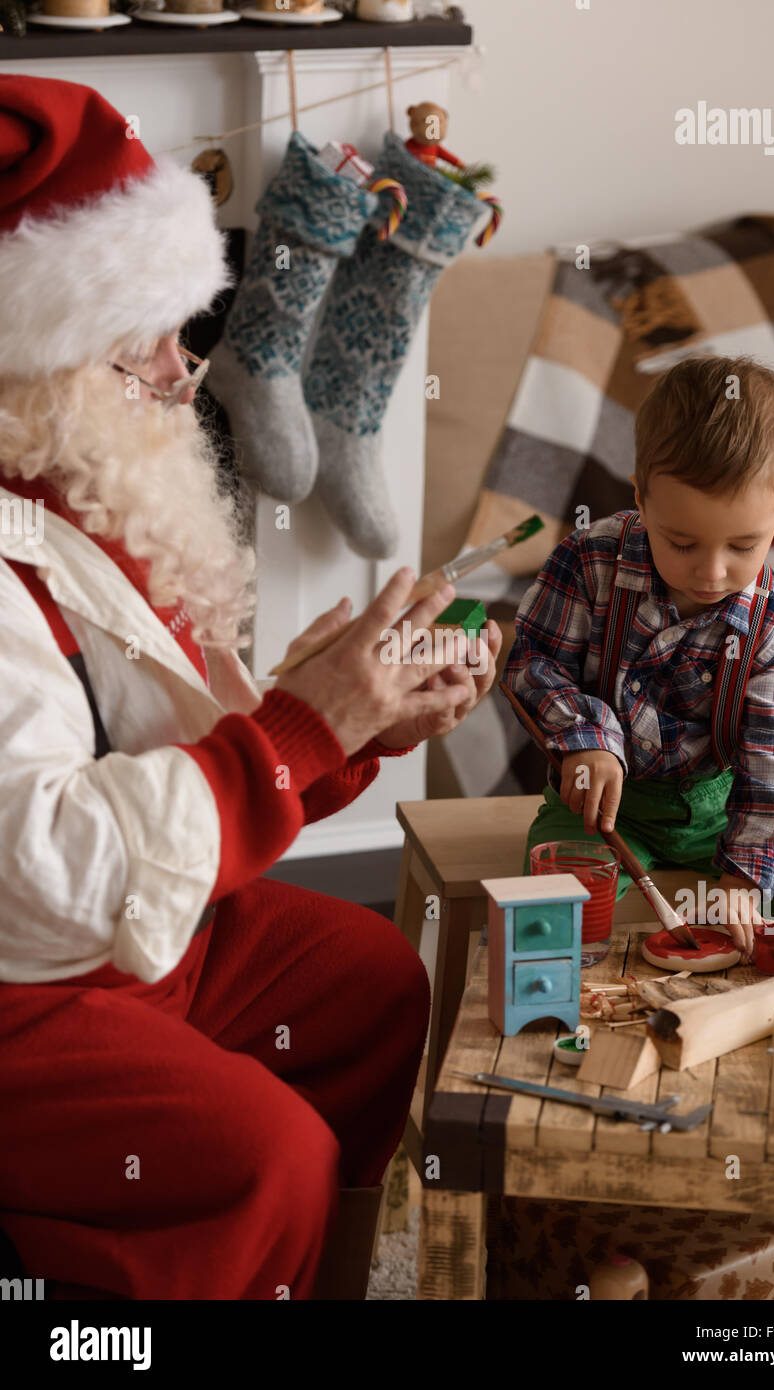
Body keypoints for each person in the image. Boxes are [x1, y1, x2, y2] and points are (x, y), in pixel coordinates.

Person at [0, 73, 502, 1300]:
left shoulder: (79, 508)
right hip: (25, 993)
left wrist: (355, 720)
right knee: (265, 1156)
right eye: (149, 349)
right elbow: (49, 874)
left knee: (376, 989)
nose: (186, 377)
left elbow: (184, 785)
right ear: (39, 368)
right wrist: (307, 720)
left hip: (125, 954)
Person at [504, 355, 774, 953]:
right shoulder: (591, 562)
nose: (711, 571)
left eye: (743, 544)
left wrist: (743, 877)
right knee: (557, 914)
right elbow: (533, 663)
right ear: (641, 495)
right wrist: (587, 740)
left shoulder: (770, 618)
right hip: (610, 806)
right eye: (681, 542)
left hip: (730, 813)